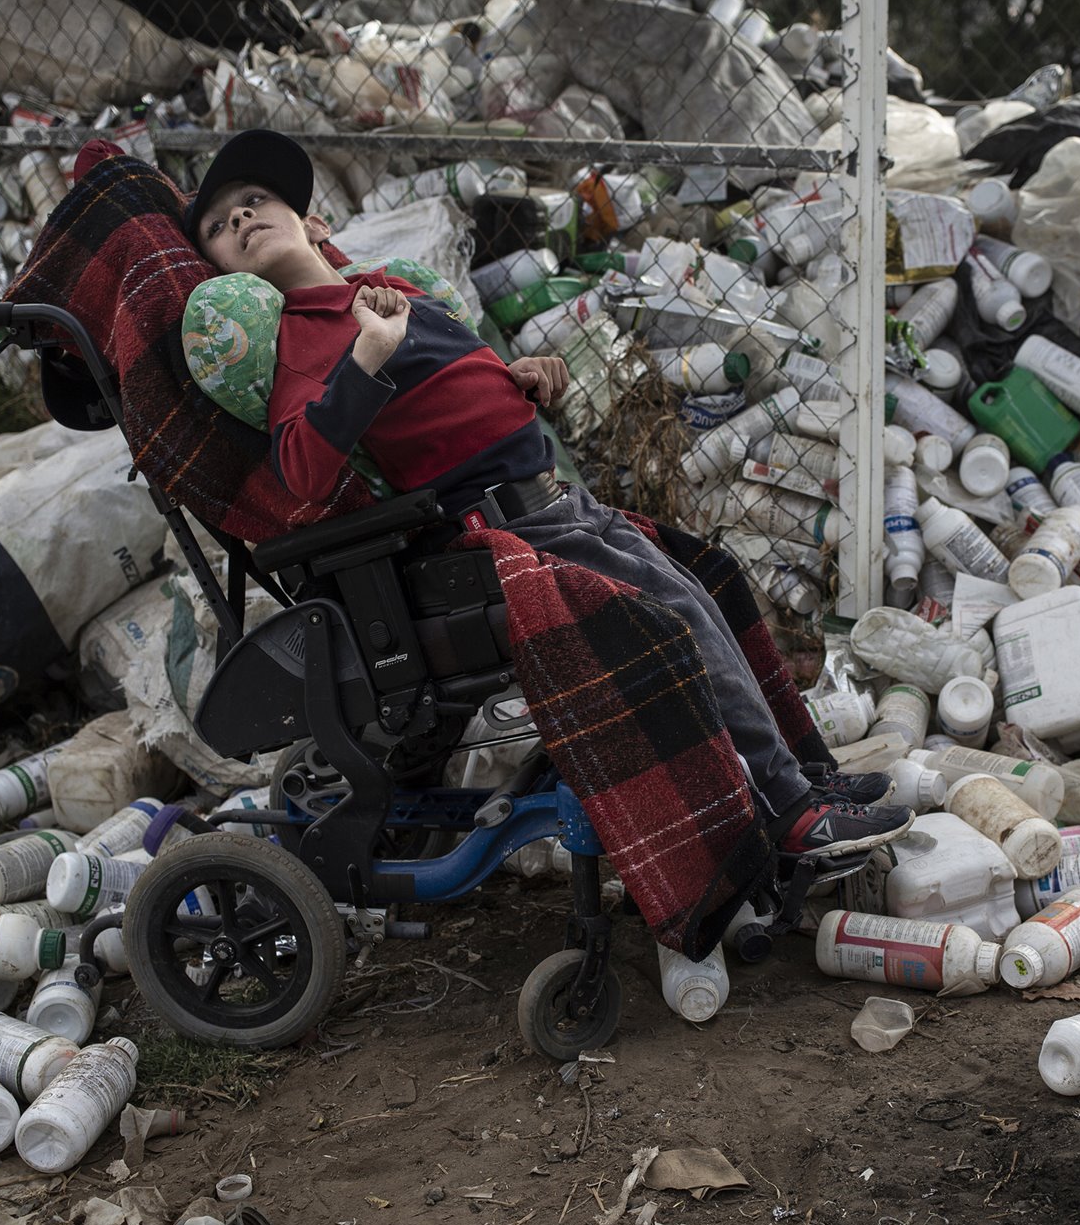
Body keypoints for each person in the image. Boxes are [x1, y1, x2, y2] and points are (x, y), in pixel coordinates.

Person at [182, 129, 909, 862]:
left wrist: (520, 377)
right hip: (498, 526)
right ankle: (789, 814)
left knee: (706, 587)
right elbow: (302, 470)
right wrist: (367, 355)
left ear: (314, 223)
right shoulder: (301, 346)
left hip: (556, 501)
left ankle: (806, 779)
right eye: (219, 226)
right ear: (219, 269)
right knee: (679, 616)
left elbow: (457, 393)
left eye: (254, 202)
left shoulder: (389, 290)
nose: (241, 219)